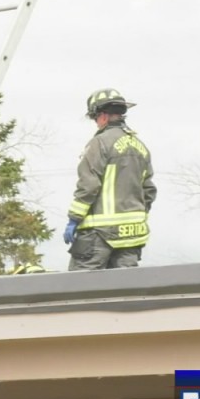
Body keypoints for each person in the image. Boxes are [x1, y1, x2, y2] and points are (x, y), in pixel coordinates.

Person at [64, 88, 157, 270]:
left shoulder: (99, 143)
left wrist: (74, 219)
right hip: (132, 236)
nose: (96, 123)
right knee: (124, 291)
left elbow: (88, 186)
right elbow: (149, 191)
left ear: (103, 116)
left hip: (98, 235)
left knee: (81, 290)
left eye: (95, 118)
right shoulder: (140, 147)